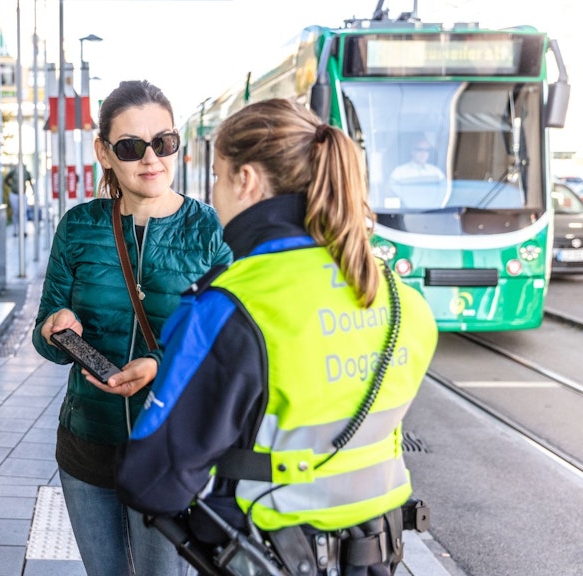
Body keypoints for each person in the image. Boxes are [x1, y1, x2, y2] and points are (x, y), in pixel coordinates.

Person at [115, 98, 439, 575]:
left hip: (270, 554)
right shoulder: (398, 296)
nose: (215, 192)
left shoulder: (231, 306)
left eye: (219, 177)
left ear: (246, 180)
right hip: (377, 552)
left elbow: (151, 481)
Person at [32, 80, 233, 576]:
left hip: (171, 449)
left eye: (163, 143)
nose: (151, 158)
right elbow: (46, 329)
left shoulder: (208, 230)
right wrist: (55, 331)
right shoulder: (79, 227)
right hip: (87, 444)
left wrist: (160, 367)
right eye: (130, 146)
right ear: (104, 152)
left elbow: (232, 345)